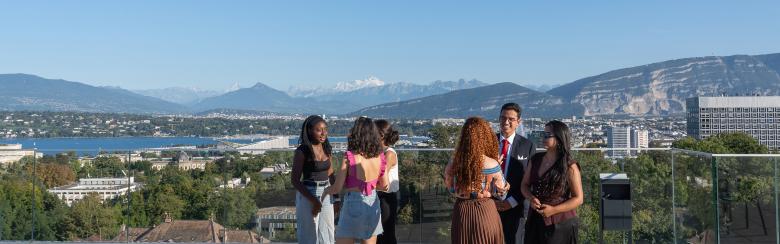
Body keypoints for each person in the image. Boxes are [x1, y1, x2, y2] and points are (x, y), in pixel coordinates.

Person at [324, 117, 389, 244]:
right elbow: (385, 186)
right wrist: (369, 186)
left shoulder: (350, 156)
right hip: (372, 203)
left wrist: (325, 192)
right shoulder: (380, 156)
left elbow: (337, 187)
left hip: (353, 202)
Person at [445, 117, 508, 244]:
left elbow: (451, 189)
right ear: (486, 137)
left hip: (462, 211)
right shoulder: (492, 164)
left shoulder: (454, 162)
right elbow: (501, 195)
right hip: (485, 210)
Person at [521, 120, 583, 244]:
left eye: (547, 135)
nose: (543, 137)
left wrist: (553, 210)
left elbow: (578, 198)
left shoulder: (570, 166)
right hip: (535, 220)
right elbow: (524, 185)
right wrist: (531, 198)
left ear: (559, 138)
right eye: (543, 134)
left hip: (561, 223)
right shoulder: (536, 159)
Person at [496, 103, 537, 244]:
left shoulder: (528, 146)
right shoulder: (488, 143)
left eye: (510, 119)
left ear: (518, 122)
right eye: (502, 118)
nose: (506, 122)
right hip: (490, 206)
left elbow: (530, 179)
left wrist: (511, 202)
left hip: (516, 208)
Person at [291, 115, 335, 244]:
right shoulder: (302, 151)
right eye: (319, 130)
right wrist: (314, 200)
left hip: (326, 193)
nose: (323, 133)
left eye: (325, 129)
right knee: (308, 236)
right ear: (310, 131)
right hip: (308, 193)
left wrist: (336, 197)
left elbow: (331, 173)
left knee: (327, 234)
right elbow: (295, 180)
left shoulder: (327, 148)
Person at [374, 119, 400, 244]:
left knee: (386, 234)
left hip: (386, 198)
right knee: (380, 235)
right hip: (379, 197)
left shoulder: (389, 154)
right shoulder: (380, 153)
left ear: (381, 135)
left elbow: (381, 177)